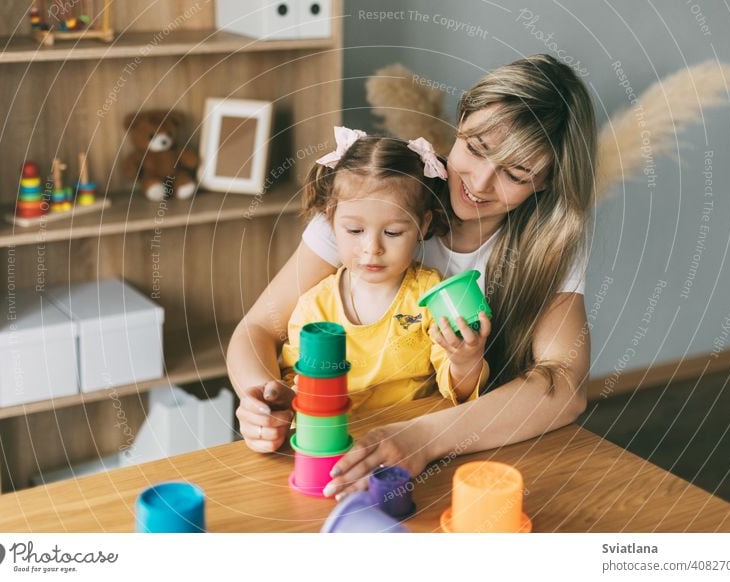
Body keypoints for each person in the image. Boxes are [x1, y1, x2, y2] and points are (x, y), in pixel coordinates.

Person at [228, 54, 596, 500]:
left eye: (515, 174)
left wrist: (422, 438)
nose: (479, 182)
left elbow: (564, 387)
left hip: (470, 455)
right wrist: (259, 402)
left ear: (546, 183)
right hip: (328, 447)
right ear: (458, 124)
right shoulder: (377, 200)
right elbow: (258, 328)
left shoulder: (549, 245)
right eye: (475, 149)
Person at [280, 128, 491, 413]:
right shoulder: (313, 309)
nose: (372, 248)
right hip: (340, 439)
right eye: (355, 230)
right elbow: (295, 386)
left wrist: (466, 360)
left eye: (392, 232)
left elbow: (458, 392)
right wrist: (290, 396)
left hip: (412, 440)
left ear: (423, 225)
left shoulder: (431, 296)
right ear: (331, 220)